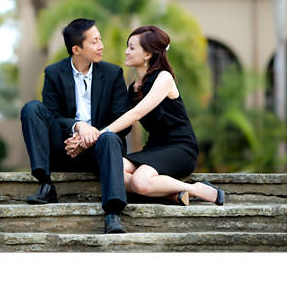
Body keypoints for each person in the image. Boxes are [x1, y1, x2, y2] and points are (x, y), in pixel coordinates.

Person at [92, 25, 225, 207]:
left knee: (140, 181)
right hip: (154, 148)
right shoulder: (133, 88)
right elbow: (120, 117)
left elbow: (136, 113)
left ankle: (196, 189)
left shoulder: (164, 78)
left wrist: (98, 135)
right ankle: (172, 195)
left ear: (147, 54)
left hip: (179, 147)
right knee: (111, 168)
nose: (126, 52)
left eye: (132, 48)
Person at [20, 18, 132, 234]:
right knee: (32, 108)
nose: (101, 46)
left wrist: (90, 138)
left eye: (100, 40)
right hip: (65, 148)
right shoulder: (54, 72)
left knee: (111, 137)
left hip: (100, 150)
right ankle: (45, 184)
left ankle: (112, 213)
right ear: (76, 49)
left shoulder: (113, 74)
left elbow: (122, 122)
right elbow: (51, 116)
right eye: (95, 41)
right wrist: (78, 126)